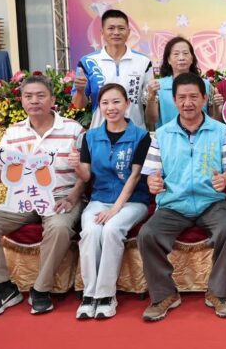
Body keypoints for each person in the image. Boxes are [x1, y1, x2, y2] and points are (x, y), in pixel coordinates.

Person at [0, 75, 85, 317]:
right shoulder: (13, 133)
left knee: (59, 227)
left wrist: (73, 198)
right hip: (22, 200)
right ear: (21, 100)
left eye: (40, 96)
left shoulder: (73, 129)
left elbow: (86, 173)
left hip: (61, 197)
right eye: (28, 96)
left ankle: (41, 289)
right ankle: (4, 288)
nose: (34, 101)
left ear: (52, 99)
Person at [138, 73, 226, 321]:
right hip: (174, 204)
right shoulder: (162, 134)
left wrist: (225, 179)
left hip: (211, 202)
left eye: (194, 97)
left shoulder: (220, 131)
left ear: (204, 99)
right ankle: (164, 295)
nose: (188, 103)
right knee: (147, 234)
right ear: (174, 101)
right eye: (182, 97)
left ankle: (218, 293)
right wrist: (153, 182)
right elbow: (152, 172)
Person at [70, 83, 150, 319]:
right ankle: (89, 295)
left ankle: (106, 295)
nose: (111, 107)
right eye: (105, 103)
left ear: (127, 104)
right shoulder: (91, 137)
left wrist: (115, 209)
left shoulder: (141, 136)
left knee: (112, 229)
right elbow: (86, 176)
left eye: (116, 102)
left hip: (133, 201)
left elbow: (135, 176)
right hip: (100, 199)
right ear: (99, 107)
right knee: (90, 231)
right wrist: (77, 165)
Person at [72, 9, 154, 129]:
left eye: (121, 28)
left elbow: (150, 108)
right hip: (100, 134)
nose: (116, 32)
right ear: (102, 32)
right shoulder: (88, 62)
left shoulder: (143, 62)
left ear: (128, 32)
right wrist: (80, 91)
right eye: (111, 28)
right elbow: (78, 105)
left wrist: (153, 95)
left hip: (135, 134)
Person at [146, 36, 217, 129]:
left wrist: (218, 105)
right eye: (176, 54)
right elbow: (151, 121)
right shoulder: (157, 86)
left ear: (192, 59)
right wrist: (151, 97)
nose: (181, 58)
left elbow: (213, 118)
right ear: (168, 60)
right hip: (169, 136)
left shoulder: (205, 85)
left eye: (185, 53)